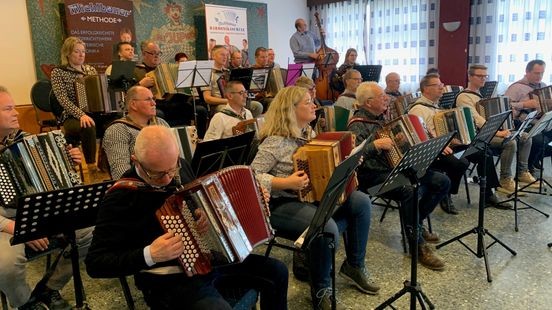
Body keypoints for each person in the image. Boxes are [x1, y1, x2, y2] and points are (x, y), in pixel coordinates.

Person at [85, 125, 288, 310]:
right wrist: (149, 254)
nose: (169, 178)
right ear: (135, 161)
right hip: (169, 280)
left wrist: (204, 215)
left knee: (277, 271)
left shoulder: (180, 166)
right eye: (157, 174)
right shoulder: (120, 197)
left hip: (209, 260)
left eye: (173, 168)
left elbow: (199, 201)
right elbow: (95, 264)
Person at [251, 86, 379, 310]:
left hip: (311, 199)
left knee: (360, 201)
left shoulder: (308, 133)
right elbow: (250, 176)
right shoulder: (274, 141)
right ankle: (321, 288)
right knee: (325, 227)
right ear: (291, 109)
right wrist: (285, 182)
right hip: (280, 204)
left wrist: (348, 165)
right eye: (308, 102)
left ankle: (354, 265)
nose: (314, 105)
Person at [0, 86, 92, 310]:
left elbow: (51, 175)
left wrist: (68, 160)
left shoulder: (23, 140)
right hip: (4, 223)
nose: (16, 113)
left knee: (89, 232)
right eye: (8, 108)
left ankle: (48, 288)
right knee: (6, 266)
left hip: (36, 211)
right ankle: (26, 304)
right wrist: (16, 226)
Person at [349, 81, 449, 269]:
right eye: (381, 96)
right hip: (370, 176)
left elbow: (393, 147)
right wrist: (374, 146)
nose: (386, 98)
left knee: (441, 181)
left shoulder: (381, 118)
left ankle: (416, 223)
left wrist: (398, 141)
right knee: (409, 189)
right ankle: (417, 245)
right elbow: (352, 157)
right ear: (368, 102)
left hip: (393, 169)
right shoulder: (356, 124)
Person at [408, 74, 510, 210]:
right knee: (460, 162)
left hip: (450, 146)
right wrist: (440, 144)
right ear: (426, 89)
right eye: (438, 85)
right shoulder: (418, 109)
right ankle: (446, 194)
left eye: (441, 84)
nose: (442, 87)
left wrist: (458, 138)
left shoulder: (436, 106)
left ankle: (488, 195)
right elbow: (418, 136)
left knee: (484, 152)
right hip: (434, 152)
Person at [456, 64, 537, 193]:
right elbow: (477, 120)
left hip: (490, 132)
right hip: (478, 136)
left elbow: (491, 116)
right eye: (479, 76)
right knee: (510, 143)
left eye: (485, 76)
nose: (483, 79)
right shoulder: (464, 97)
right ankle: (505, 179)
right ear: (470, 77)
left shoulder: (480, 94)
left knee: (525, 137)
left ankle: (522, 171)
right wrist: (498, 133)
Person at [51, 36, 116, 167]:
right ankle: (91, 166)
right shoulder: (58, 72)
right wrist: (81, 114)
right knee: (88, 125)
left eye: (83, 51)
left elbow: (99, 92)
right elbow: (62, 99)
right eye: (77, 51)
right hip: (71, 116)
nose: (81, 55)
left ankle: (106, 162)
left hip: (95, 112)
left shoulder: (90, 70)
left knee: (115, 123)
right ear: (68, 53)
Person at [134, 40, 208, 136]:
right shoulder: (137, 70)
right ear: (144, 54)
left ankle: (199, 140)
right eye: (153, 53)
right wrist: (141, 84)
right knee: (158, 114)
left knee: (200, 110)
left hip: (175, 104)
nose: (156, 56)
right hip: (157, 106)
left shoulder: (166, 69)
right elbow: (129, 93)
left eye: (158, 53)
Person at [103, 85, 170, 179]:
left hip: (168, 179)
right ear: (133, 104)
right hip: (139, 186)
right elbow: (120, 172)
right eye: (148, 100)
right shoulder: (117, 130)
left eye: (153, 99)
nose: (154, 103)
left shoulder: (161, 123)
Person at [505, 59, 551, 174]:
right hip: (522, 124)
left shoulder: (543, 86)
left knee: (545, 137)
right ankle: (527, 168)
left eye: (542, 73)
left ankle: (535, 158)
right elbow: (504, 107)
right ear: (527, 72)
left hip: (540, 121)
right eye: (536, 73)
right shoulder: (516, 87)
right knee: (538, 139)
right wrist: (524, 104)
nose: (539, 76)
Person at [202, 45, 263, 118]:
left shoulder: (229, 72)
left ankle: (247, 126)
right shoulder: (207, 73)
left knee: (257, 106)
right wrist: (227, 101)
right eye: (222, 54)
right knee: (230, 110)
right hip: (219, 104)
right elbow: (207, 98)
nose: (225, 57)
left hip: (234, 101)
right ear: (213, 56)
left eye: (226, 55)